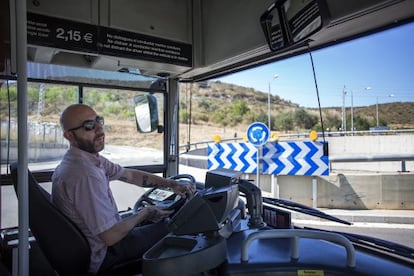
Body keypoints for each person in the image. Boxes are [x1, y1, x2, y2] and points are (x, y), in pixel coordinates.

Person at [51, 104, 195, 274]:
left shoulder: (89, 159)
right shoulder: (84, 174)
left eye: (99, 121)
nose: (99, 130)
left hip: (103, 243)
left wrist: (172, 184)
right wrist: (144, 213)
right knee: (179, 229)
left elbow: (130, 175)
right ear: (70, 136)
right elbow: (110, 236)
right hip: (106, 254)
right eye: (89, 126)